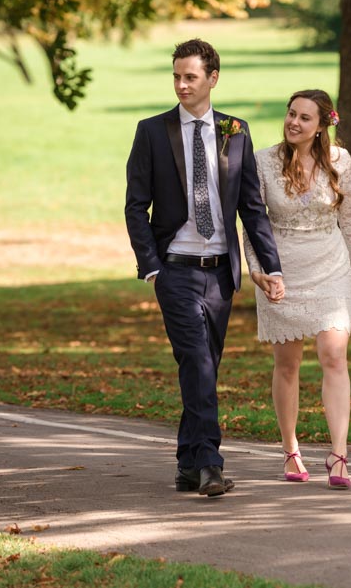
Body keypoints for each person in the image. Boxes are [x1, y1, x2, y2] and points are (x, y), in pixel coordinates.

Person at [125, 38, 285, 498]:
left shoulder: (236, 130)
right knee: (197, 360)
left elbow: (252, 208)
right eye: (176, 76)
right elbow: (136, 206)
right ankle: (211, 464)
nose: (181, 85)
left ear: (212, 78)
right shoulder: (152, 131)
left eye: (190, 76)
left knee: (203, 367)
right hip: (174, 269)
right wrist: (151, 267)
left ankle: (186, 462)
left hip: (220, 272)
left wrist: (270, 268)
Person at [244, 89, 351, 490]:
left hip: (330, 263)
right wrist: (259, 272)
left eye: (304, 118)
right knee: (288, 364)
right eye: (291, 114)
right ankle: (290, 447)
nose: (294, 122)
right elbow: (254, 223)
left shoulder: (340, 162)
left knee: (334, 356)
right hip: (281, 268)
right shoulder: (264, 161)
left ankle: (339, 453)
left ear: (323, 124)